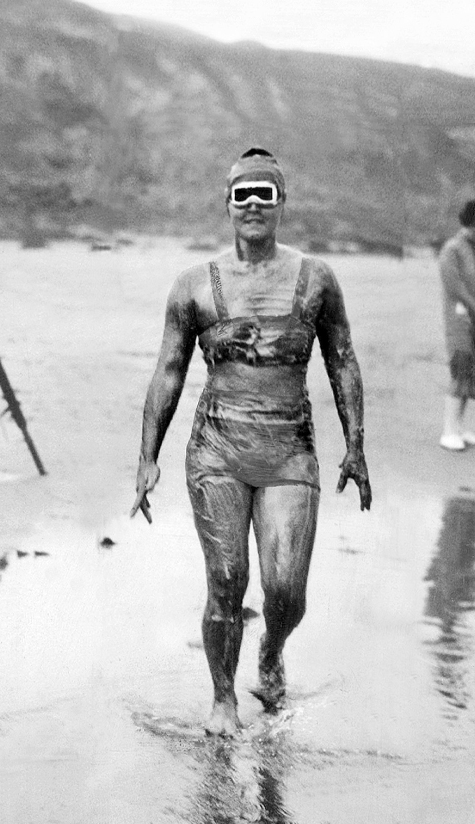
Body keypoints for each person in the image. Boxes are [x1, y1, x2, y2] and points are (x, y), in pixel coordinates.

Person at [131, 147, 372, 735]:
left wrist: (356, 445)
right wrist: (147, 457)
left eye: (266, 194)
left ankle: (270, 652)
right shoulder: (194, 285)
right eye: (244, 195)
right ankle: (222, 701)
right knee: (226, 578)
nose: (255, 205)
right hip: (217, 447)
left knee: (286, 591)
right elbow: (168, 369)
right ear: (229, 205)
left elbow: (341, 359)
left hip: (290, 449)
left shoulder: (316, 278)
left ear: (283, 203)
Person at [437, 200, 475, 451]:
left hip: (472, 319)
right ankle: (448, 430)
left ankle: (459, 428)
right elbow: (455, 287)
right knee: (460, 370)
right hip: (459, 320)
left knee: (470, 374)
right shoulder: (452, 249)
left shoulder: (472, 248)